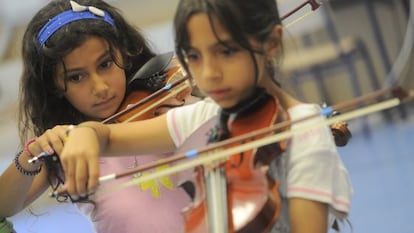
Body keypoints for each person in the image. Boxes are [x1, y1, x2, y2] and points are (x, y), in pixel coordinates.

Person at [58, 0, 354, 232]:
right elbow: (108, 135)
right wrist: (87, 132)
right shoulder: (203, 116)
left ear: (271, 44)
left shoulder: (305, 132)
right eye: (195, 57)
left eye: (225, 52)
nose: (208, 73)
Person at [0, 0, 198, 232]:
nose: (100, 87)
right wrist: (31, 153)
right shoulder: (64, 151)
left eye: (105, 64)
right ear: (54, 86)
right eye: (76, 77)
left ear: (124, 53)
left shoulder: (171, 102)